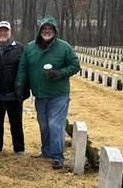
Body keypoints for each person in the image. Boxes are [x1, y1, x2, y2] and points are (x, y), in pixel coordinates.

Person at [15, 16, 80, 170]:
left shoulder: (64, 47)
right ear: (40, 31)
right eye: (44, 29)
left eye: (50, 29)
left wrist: (60, 73)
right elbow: (23, 68)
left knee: (54, 124)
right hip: (40, 94)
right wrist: (19, 85)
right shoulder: (30, 48)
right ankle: (46, 151)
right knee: (44, 124)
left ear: (55, 31)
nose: (47, 31)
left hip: (58, 94)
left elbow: (75, 65)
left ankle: (57, 157)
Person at [0, 21, 29, 155]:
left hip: (14, 94)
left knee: (16, 123)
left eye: (5, 30)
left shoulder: (19, 48)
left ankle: (19, 148)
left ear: (10, 32)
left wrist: (23, 91)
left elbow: (25, 70)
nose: (3, 33)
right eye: (0, 30)